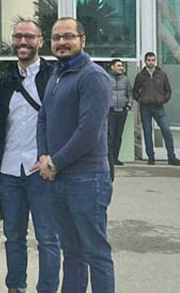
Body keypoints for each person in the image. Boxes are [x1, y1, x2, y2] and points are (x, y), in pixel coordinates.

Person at [35, 17, 115, 293]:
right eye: (57, 37)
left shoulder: (93, 76)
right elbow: (43, 118)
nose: (62, 42)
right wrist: (43, 156)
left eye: (68, 36)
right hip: (58, 178)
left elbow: (88, 133)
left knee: (96, 253)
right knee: (72, 252)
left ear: (83, 40)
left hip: (87, 179)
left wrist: (54, 162)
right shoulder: (57, 75)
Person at [0, 20, 59, 293]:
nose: (22, 42)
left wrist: (55, 160)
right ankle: (15, 287)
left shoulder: (54, 76)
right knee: (13, 237)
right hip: (10, 170)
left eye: (28, 37)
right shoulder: (5, 80)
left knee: (47, 238)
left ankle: (46, 288)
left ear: (40, 41)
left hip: (42, 170)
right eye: (18, 36)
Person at [132, 52, 180, 166]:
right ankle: (151, 157)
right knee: (148, 132)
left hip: (158, 106)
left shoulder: (162, 74)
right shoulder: (140, 76)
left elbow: (168, 90)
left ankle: (171, 156)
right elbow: (135, 91)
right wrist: (140, 99)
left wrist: (163, 99)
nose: (151, 62)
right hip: (145, 106)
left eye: (153, 60)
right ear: (145, 61)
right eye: (149, 60)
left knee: (166, 131)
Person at [106, 59, 132, 178]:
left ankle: (116, 158)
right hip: (110, 111)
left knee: (118, 136)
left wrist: (129, 105)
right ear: (112, 67)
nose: (121, 68)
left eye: (121, 66)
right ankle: (109, 158)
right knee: (110, 136)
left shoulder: (125, 80)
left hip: (122, 110)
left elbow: (129, 93)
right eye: (118, 65)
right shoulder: (106, 78)